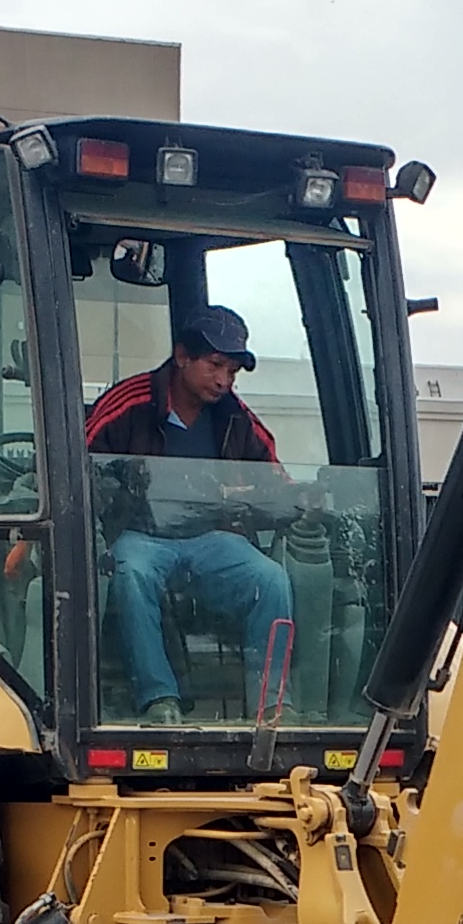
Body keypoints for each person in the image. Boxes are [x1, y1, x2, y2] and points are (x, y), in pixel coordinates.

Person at [84, 305, 293, 721]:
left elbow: (275, 479)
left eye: (232, 371)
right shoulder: (128, 404)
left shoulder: (235, 417)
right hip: (139, 534)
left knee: (270, 578)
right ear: (182, 357)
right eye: (215, 365)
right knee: (132, 573)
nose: (224, 380)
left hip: (208, 538)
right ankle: (158, 698)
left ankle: (271, 704)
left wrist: (294, 498)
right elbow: (76, 464)